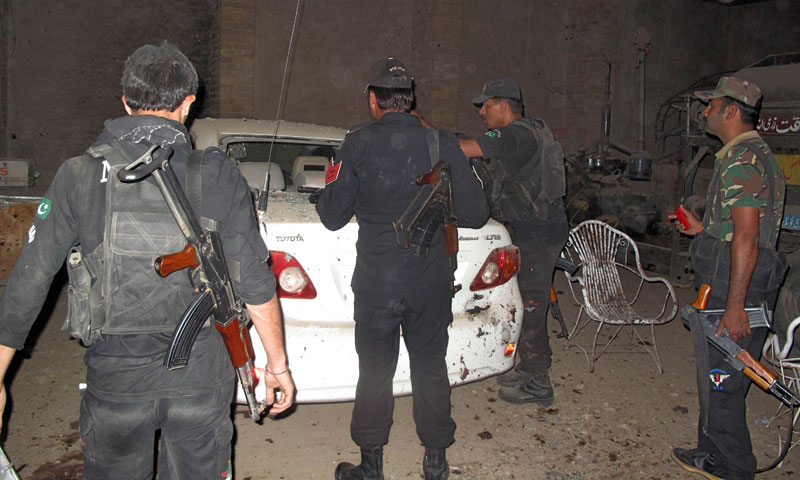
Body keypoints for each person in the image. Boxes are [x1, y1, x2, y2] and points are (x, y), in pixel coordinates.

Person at [0, 42, 295, 479]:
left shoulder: (80, 173)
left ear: (125, 101)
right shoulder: (216, 172)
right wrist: (277, 366)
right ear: (189, 103)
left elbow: (29, 281)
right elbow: (254, 283)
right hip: (200, 381)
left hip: (116, 384)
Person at [316, 58, 489, 480]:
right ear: (410, 99)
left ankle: (371, 466)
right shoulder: (442, 142)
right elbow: (477, 212)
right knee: (431, 366)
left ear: (374, 100)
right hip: (429, 280)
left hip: (377, 282)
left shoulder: (356, 143)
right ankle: (435, 463)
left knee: (375, 370)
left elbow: (332, 216)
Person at [669, 76, 786, 480]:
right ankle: (712, 454)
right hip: (730, 278)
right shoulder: (744, 156)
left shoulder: (742, 159)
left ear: (731, 111)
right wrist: (702, 229)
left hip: (737, 288)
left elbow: (749, 237)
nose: (704, 111)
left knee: (724, 379)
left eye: (711, 105)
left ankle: (734, 467)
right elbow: (738, 230)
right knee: (716, 375)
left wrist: (735, 306)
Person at [455, 78, 568, 406]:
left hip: (537, 231)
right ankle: (527, 365)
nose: (482, 112)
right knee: (521, 298)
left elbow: (468, 147)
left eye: (486, 105)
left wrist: (429, 138)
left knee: (531, 304)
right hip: (536, 227)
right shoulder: (527, 133)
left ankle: (538, 378)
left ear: (503, 105)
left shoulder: (514, 134)